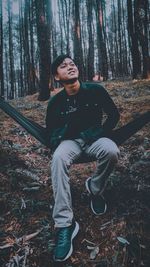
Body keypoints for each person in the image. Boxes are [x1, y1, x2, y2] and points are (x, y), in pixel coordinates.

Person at [46, 54, 120, 261]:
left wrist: (98, 133)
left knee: (112, 150)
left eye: (72, 64)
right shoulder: (55, 102)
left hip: (95, 139)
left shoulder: (96, 91)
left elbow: (113, 115)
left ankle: (95, 189)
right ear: (56, 77)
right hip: (71, 143)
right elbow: (49, 133)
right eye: (63, 66)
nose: (70, 67)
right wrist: (64, 134)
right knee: (58, 158)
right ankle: (65, 224)